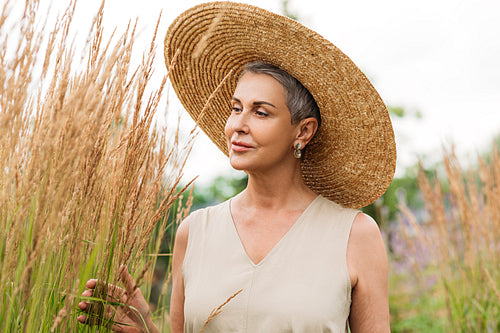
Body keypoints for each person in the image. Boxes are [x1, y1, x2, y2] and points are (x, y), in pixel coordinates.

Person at [78, 2, 396, 332]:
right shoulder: (195, 232)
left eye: (261, 112)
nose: (237, 125)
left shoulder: (355, 236)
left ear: (303, 131)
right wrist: (146, 328)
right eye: (236, 108)